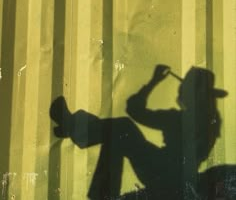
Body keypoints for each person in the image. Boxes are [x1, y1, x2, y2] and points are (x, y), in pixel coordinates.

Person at [50, 65, 228, 199]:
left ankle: (74, 128)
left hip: (164, 173)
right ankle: (73, 128)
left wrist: (154, 81)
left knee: (122, 128)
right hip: (173, 174)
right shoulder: (210, 121)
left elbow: (134, 109)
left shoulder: (180, 119)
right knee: (120, 130)